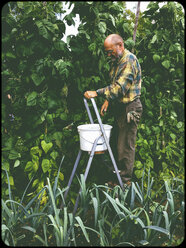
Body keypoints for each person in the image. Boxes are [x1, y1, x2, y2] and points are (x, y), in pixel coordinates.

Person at [84, 34, 143, 187]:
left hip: (130, 108)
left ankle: (124, 184)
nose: (108, 55)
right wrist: (107, 100)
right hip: (120, 108)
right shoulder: (117, 61)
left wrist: (97, 93)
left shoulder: (129, 60)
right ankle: (116, 179)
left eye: (110, 51)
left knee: (125, 147)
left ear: (120, 45)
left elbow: (120, 88)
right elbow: (114, 83)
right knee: (115, 145)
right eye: (107, 52)